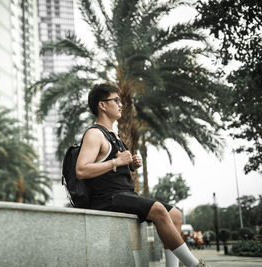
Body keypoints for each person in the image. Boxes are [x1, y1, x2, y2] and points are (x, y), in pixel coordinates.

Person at [76, 83, 211, 267]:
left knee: (176, 216)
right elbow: (81, 170)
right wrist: (116, 162)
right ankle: (195, 265)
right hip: (108, 199)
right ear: (102, 105)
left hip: (124, 196)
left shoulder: (114, 137)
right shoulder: (94, 134)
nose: (121, 104)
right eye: (116, 100)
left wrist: (130, 165)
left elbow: (113, 169)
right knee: (158, 210)